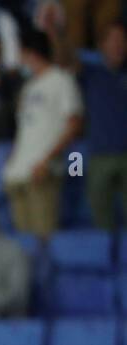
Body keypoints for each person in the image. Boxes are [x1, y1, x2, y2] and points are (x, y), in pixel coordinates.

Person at [2, 31, 82, 239]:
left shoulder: (61, 80)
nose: (19, 61)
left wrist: (46, 161)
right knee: (24, 245)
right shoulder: (28, 87)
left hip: (42, 172)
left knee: (44, 241)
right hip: (18, 173)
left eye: (21, 54)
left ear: (31, 53)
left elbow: (74, 126)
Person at [79, 22, 127, 230]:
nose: (119, 45)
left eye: (122, 40)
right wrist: (57, 32)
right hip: (98, 157)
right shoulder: (90, 74)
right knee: (101, 223)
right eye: (113, 40)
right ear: (101, 46)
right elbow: (64, 58)